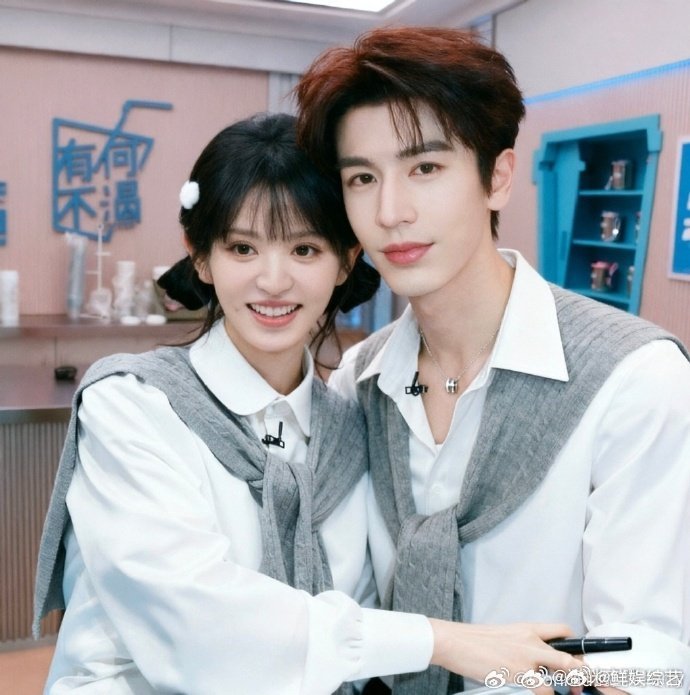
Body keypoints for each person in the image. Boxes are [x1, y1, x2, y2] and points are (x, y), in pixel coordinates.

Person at [32, 113, 578, 695]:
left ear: (346, 259)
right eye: (242, 248)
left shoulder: (349, 425)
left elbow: (367, 608)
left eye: (305, 249)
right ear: (201, 256)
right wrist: (439, 641)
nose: (273, 281)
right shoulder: (134, 407)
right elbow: (195, 625)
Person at [295, 26, 690, 695]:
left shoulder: (635, 379)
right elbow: (340, 603)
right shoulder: (361, 379)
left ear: (498, 177)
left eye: (425, 168)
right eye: (362, 178)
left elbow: (648, 663)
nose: (391, 212)